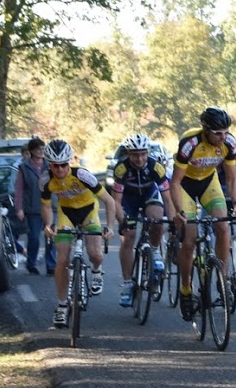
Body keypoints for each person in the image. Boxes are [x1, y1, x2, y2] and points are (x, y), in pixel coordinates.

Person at [167, 107, 236, 322]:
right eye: (218, 133)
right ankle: (186, 289)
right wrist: (179, 211)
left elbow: (232, 179)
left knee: (223, 226)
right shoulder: (190, 144)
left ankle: (222, 278)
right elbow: (175, 183)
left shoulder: (229, 144)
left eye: (226, 131)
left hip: (210, 184)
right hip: (186, 186)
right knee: (189, 240)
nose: (223, 136)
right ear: (206, 130)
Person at [41, 139, 118, 328]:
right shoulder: (45, 180)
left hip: (88, 212)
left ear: (69, 162)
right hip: (66, 214)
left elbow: (109, 201)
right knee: (62, 260)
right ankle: (61, 306)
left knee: (95, 254)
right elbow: (46, 205)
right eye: (55, 166)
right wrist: (48, 224)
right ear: (49, 164)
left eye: (63, 165)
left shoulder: (82, 175)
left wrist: (109, 226)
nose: (59, 170)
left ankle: (97, 270)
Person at [108, 133, 169, 308]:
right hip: (128, 200)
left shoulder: (156, 167)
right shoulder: (121, 168)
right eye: (135, 154)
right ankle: (127, 284)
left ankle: (155, 251)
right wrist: (123, 222)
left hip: (149, 195)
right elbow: (116, 202)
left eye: (143, 153)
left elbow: (168, 197)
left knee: (157, 219)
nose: (140, 158)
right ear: (128, 153)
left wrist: (173, 220)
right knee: (129, 236)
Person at [13, 137, 56, 275]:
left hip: (49, 206)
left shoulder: (50, 165)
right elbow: (19, 189)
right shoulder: (24, 167)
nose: (41, 151)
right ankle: (31, 263)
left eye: (43, 149)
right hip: (33, 208)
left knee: (51, 237)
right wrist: (19, 208)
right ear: (31, 150)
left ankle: (51, 265)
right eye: (38, 149)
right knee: (34, 238)